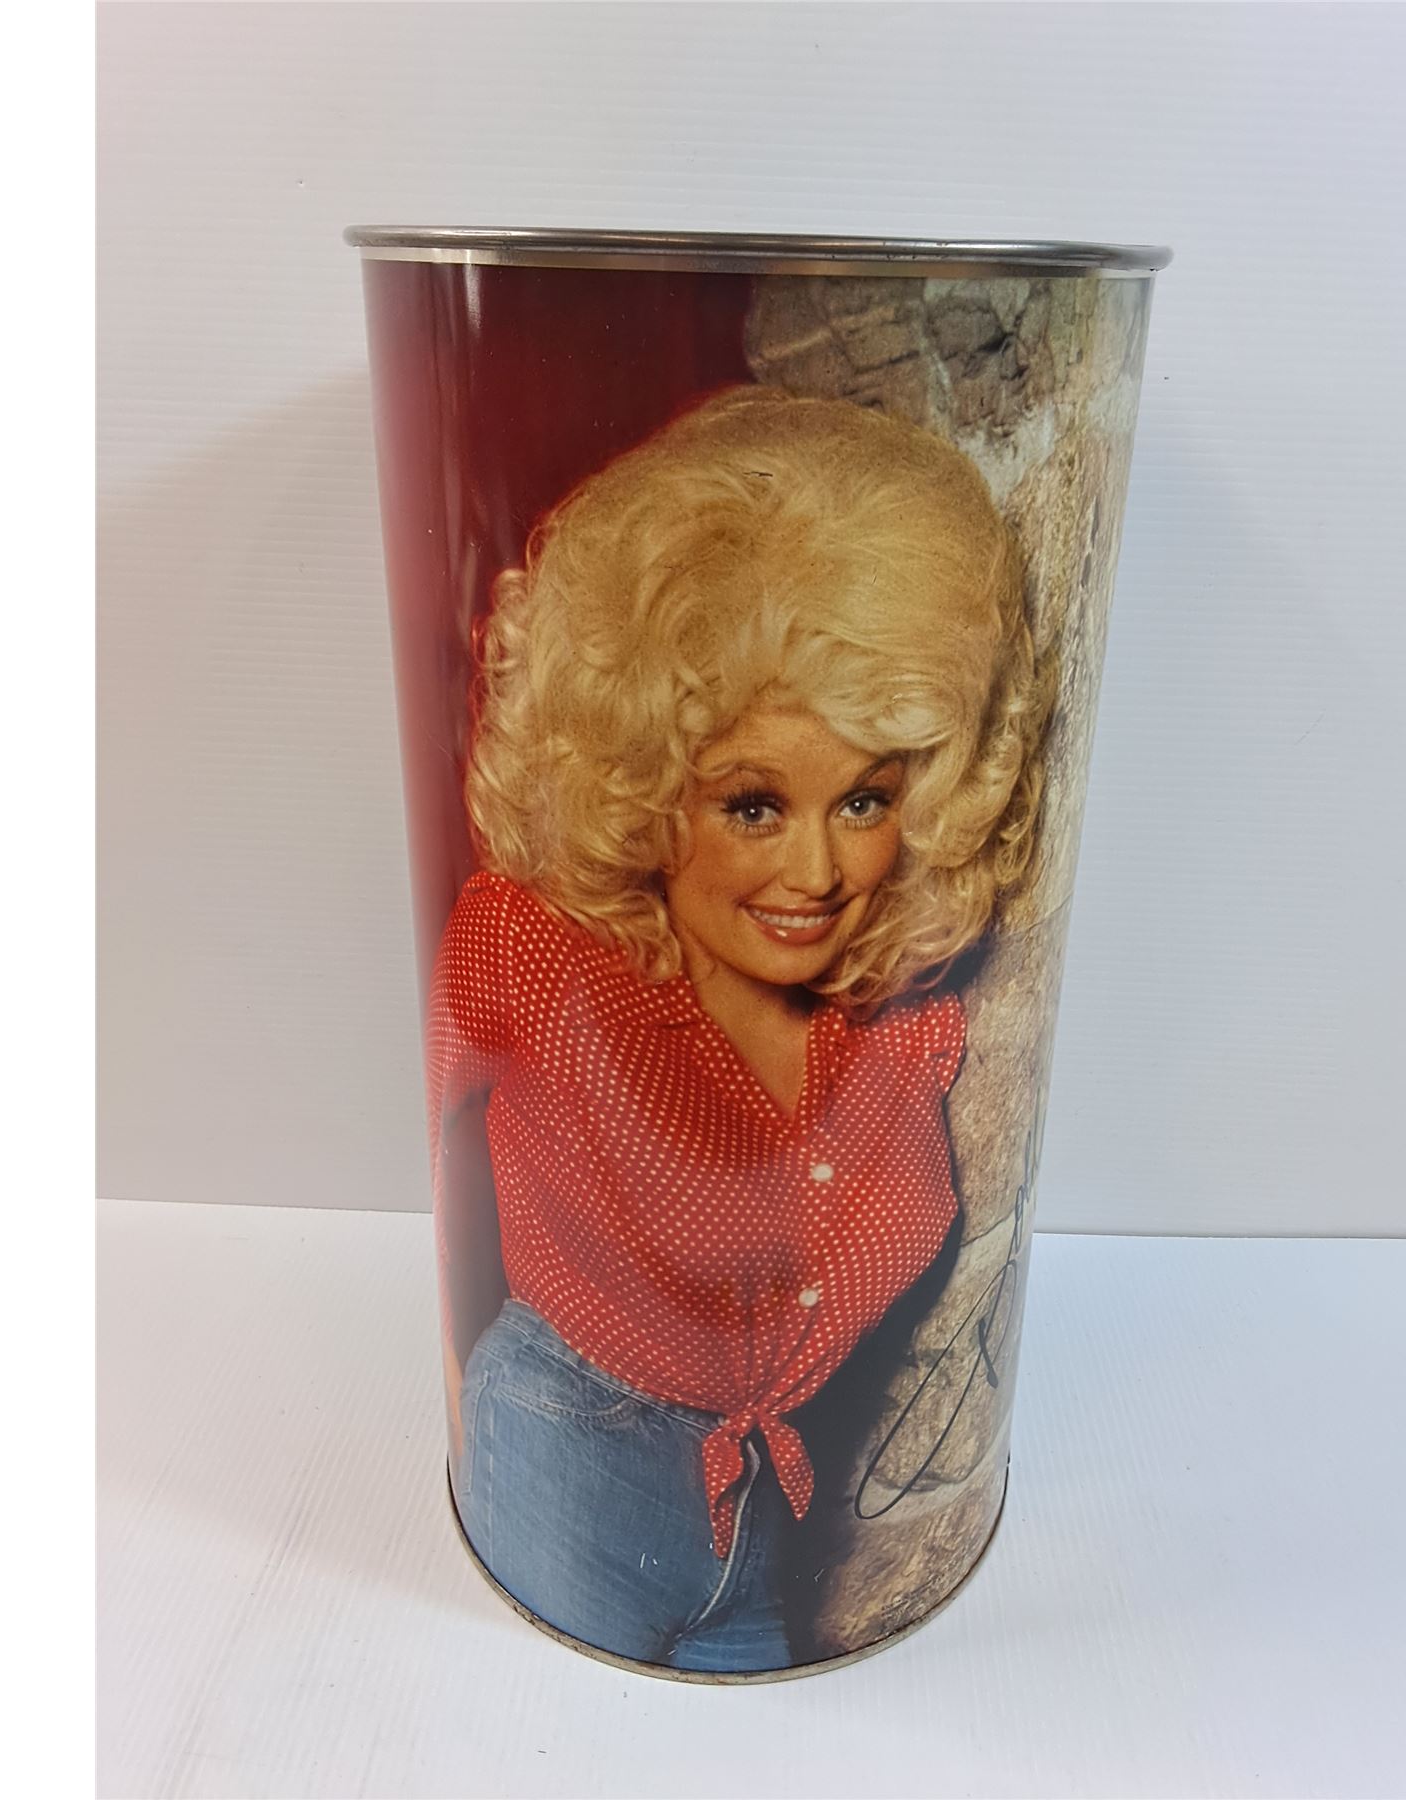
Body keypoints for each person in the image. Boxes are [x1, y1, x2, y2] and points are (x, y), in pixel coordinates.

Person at [426, 385, 1050, 1672]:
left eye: (864, 800)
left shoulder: (900, 1035)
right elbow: (430, 1121)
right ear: (644, 779)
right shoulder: (534, 954)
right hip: (563, 1455)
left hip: (766, 1506)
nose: (815, 872)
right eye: (754, 804)